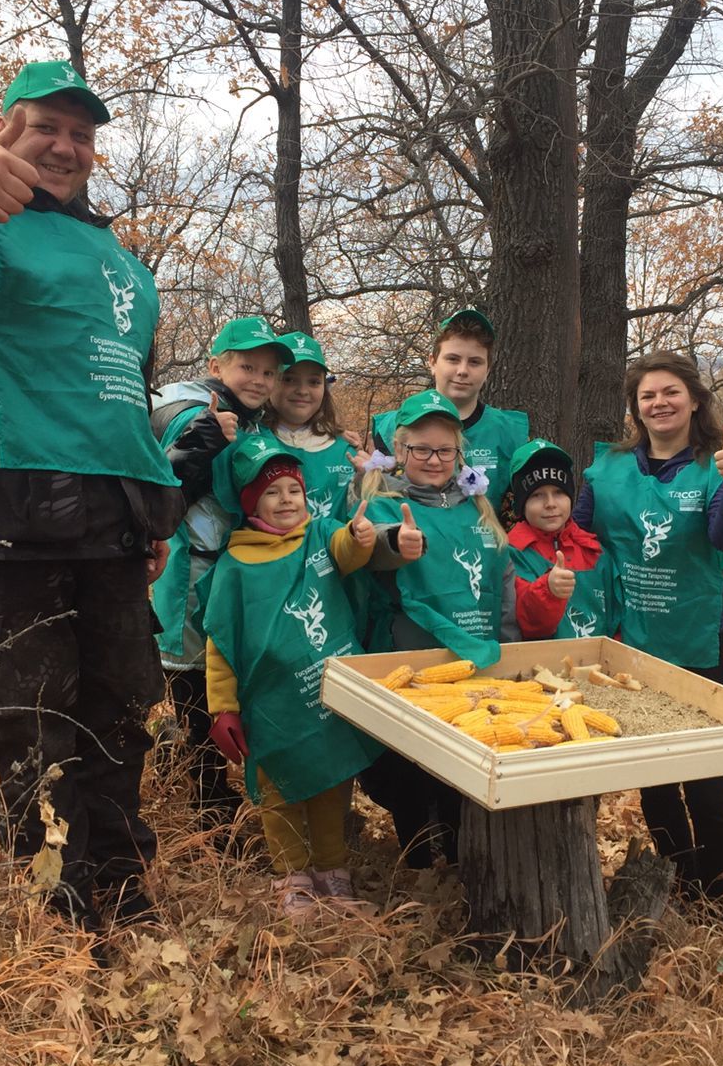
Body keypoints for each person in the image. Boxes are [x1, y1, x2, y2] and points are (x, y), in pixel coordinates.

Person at [0, 60, 183, 936]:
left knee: (123, 708)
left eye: (82, 135)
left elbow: (124, 389)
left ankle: (125, 885)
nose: (65, 146)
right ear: (8, 127)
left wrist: (150, 510)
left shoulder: (115, 255)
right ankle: (60, 904)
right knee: (26, 721)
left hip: (111, 527)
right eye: (47, 126)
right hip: (4, 516)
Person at [202, 436, 424, 914]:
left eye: (293, 491)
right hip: (272, 706)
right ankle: (293, 878)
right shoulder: (236, 564)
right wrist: (222, 706)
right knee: (281, 797)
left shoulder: (321, 534)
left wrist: (360, 536)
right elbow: (220, 641)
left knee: (331, 788)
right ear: (251, 503)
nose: (286, 500)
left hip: (328, 697)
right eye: (272, 492)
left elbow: (348, 549)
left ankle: (333, 870)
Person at [575, 351, 723, 925]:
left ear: (694, 400)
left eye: (670, 392)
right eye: (647, 395)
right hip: (630, 648)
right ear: (636, 408)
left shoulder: (713, 467)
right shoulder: (608, 471)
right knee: (653, 781)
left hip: (695, 645)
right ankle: (681, 886)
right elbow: (574, 536)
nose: (659, 403)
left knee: (705, 783)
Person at [355, 389, 520, 867]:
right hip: (413, 667)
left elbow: (501, 584)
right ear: (400, 452)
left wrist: (507, 649)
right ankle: (417, 867)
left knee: (459, 775)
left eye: (444, 450)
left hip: (473, 667)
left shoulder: (478, 508)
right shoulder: (386, 503)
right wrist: (395, 543)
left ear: (459, 453)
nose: (433, 459)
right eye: (420, 449)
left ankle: (458, 860)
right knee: (408, 777)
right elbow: (368, 549)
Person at [149, 318, 293, 840]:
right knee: (195, 691)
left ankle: (183, 763)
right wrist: (203, 438)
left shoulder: (248, 418)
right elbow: (163, 493)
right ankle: (212, 812)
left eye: (268, 372)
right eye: (246, 366)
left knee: (214, 689)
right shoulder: (195, 411)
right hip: (187, 579)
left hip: (225, 580)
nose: (258, 378)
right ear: (217, 366)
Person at [370, 307, 530, 506]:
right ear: (433, 362)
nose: (462, 371)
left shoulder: (511, 433)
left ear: (488, 370)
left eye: (475, 362)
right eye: (453, 359)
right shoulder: (389, 429)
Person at [504, 440, 618, 641]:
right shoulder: (510, 553)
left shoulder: (596, 552)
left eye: (558, 493)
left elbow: (616, 620)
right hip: (541, 668)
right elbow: (527, 623)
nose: (550, 504)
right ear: (521, 504)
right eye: (537, 495)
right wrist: (548, 590)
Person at [266, 331, 360, 520]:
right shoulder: (252, 440)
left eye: (314, 382)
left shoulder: (345, 451)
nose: (302, 390)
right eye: (289, 379)